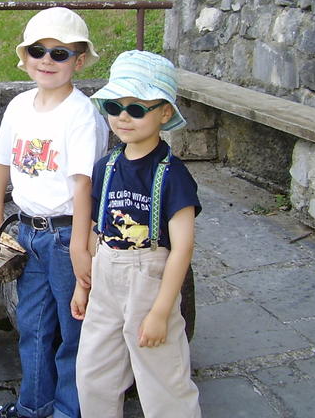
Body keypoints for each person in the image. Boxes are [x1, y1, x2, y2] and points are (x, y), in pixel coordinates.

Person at [0, 6, 109, 418]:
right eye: (38, 50)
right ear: (25, 56)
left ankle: (69, 410)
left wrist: (81, 246)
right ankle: (33, 407)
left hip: (66, 235)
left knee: (74, 329)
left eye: (60, 53)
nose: (47, 60)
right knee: (33, 326)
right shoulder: (19, 106)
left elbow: (84, 185)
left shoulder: (81, 115)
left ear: (78, 61)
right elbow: (2, 159)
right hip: (29, 231)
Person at [73, 50, 201, 418]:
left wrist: (161, 311)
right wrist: (84, 285)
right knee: (94, 373)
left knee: (163, 377)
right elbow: (98, 226)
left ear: (164, 113)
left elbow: (182, 248)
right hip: (106, 273)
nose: (123, 117)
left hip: (148, 278)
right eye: (114, 107)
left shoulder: (172, 175)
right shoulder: (106, 166)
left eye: (136, 108)